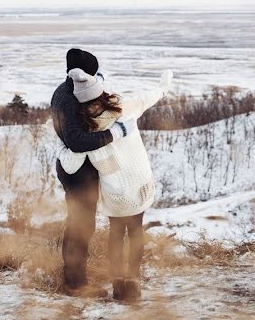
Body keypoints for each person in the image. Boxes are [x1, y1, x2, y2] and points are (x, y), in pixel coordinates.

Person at [55, 65, 173, 302]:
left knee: (116, 234)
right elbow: (145, 99)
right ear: (102, 93)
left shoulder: (88, 129)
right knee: (136, 230)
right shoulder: (123, 110)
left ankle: (118, 286)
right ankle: (133, 282)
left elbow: (73, 156)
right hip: (138, 183)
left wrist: (64, 148)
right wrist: (163, 88)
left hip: (115, 191)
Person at [50, 48, 138, 292]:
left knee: (81, 223)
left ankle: (75, 278)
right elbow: (76, 141)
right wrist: (115, 133)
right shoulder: (67, 99)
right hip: (77, 172)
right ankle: (75, 284)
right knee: (81, 224)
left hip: (85, 169)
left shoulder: (71, 89)